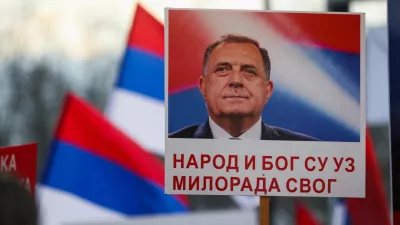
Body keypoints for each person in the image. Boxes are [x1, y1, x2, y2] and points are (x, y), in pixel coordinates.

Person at [169, 34, 318, 141]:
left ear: (267, 90)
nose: (236, 80)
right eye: (222, 69)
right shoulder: (168, 149)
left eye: (249, 71)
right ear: (203, 86)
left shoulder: (308, 152)